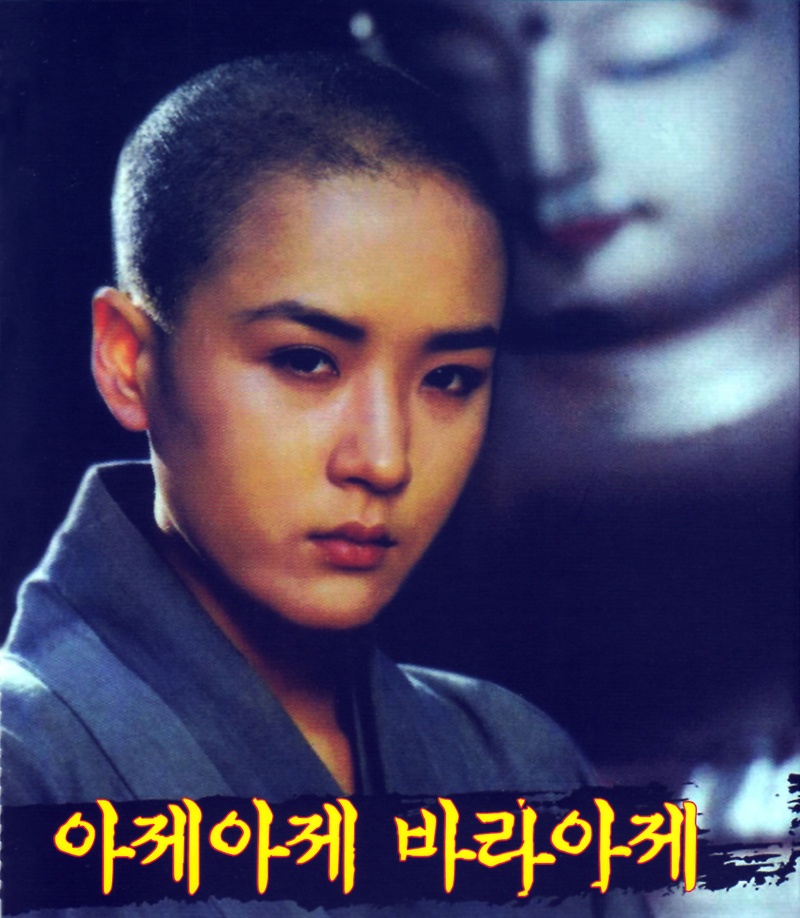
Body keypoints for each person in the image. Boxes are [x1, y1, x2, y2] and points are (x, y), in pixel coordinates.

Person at [0, 53, 649, 916]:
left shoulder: (519, 770)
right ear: (129, 360)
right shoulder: (27, 772)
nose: (384, 460)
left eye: (449, 378)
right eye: (307, 361)